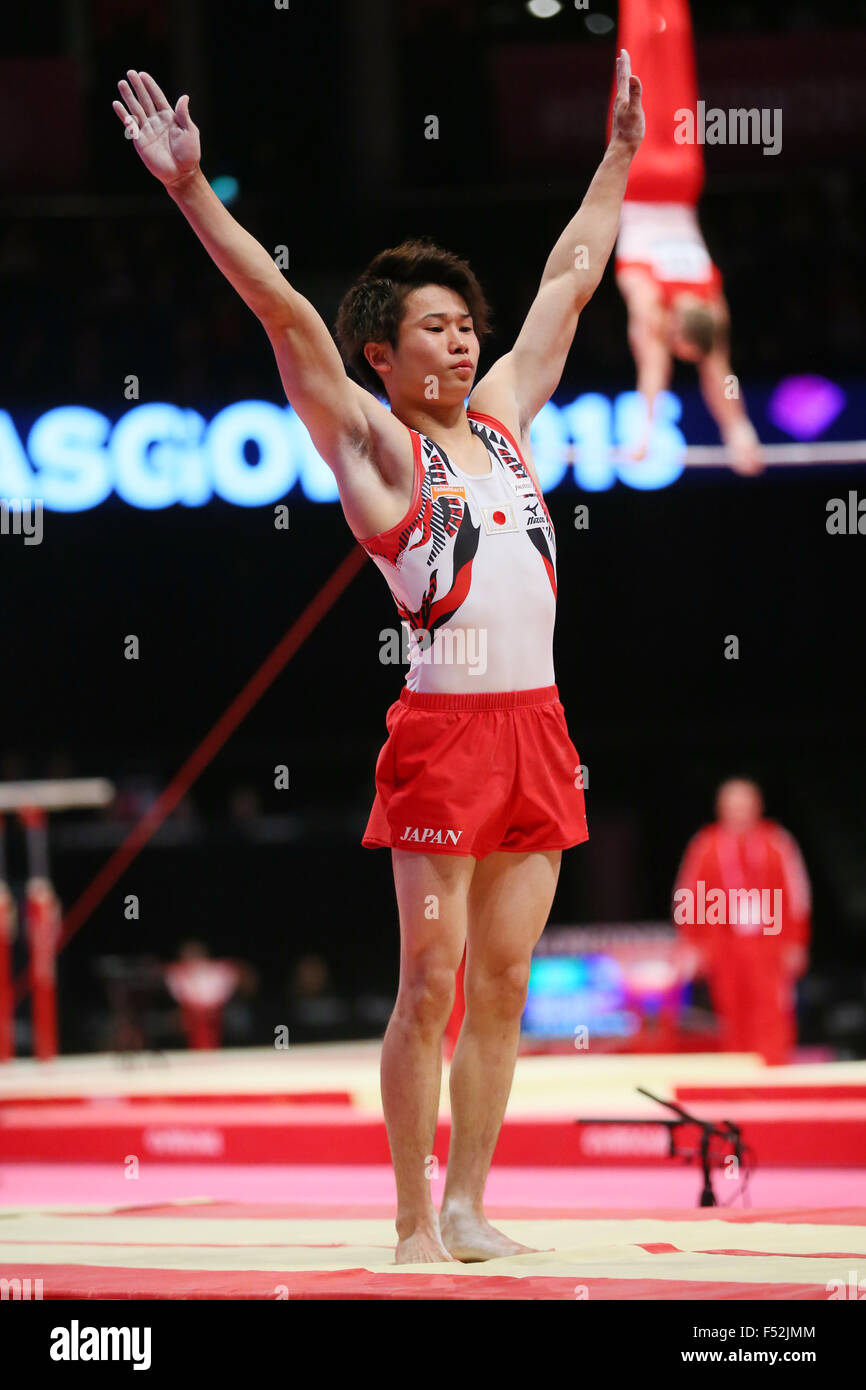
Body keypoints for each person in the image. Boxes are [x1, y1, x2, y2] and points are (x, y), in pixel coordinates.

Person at [112, 55, 645, 1263]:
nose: (462, 348)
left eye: (467, 329)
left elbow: (569, 276)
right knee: (430, 980)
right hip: (445, 735)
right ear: (384, 360)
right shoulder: (380, 454)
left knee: (504, 986)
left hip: (537, 728)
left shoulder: (507, 428)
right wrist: (193, 191)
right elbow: (287, 318)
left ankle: (466, 1204)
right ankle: (410, 1219)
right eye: (435, 333)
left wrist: (616, 158)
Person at [611, 0, 763, 474]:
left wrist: (741, 433)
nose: (669, 348)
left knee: (674, 67)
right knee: (637, 60)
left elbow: (719, 374)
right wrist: (644, 434)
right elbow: (653, 370)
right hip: (635, 180)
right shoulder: (649, 297)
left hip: (682, 179)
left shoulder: (711, 298)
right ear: (675, 329)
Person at [673, 779, 811, 1066]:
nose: (739, 812)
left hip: (769, 941)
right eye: (732, 806)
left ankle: (773, 1075)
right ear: (720, 809)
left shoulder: (778, 842)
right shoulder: (705, 844)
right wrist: (691, 944)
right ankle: (737, 1080)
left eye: (744, 805)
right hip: (723, 942)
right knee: (729, 1011)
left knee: (772, 1010)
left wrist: (797, 942)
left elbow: (798, 895)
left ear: (758, 806)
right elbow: (687, 896)